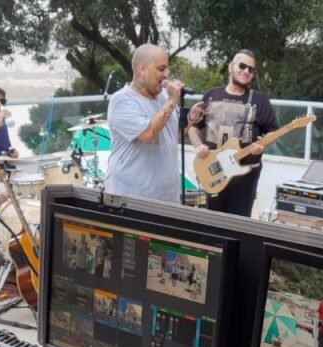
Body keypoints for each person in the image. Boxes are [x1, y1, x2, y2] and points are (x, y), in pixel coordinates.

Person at [188, 50, 279, 217]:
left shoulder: (260, 100)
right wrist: (198, 145)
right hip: (213, 172)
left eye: (251, 69)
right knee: (213, 221)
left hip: (245, 176)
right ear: (231, 66)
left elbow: (272, 131)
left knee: (239, 224)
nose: (246, 71)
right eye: (242, 66)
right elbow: (193, 127)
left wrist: (263, 145)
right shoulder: (211, 95)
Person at [106, 44, 187, 202]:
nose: (166, 74)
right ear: (142, 69)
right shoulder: (121, 101)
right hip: (132, 200)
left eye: (167, 69)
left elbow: (173, 134)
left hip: (167, 199)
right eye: (161, 69)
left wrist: (191, 119)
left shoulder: (165, 98)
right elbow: (148, 134)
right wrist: (172, 100)